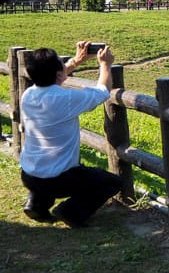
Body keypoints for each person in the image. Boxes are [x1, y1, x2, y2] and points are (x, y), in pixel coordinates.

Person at [19, 41, 122, 227]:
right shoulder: (64, 99)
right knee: (111, 183)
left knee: (46, 175)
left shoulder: (28, 94)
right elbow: (102, 91)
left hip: (28, 174)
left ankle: (36, 203)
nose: (64, 63)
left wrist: (76, 61)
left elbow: (51, 77)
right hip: (58, 180)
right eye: (62, 62)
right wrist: (105, 64)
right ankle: (70, 212)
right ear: (58, 73)